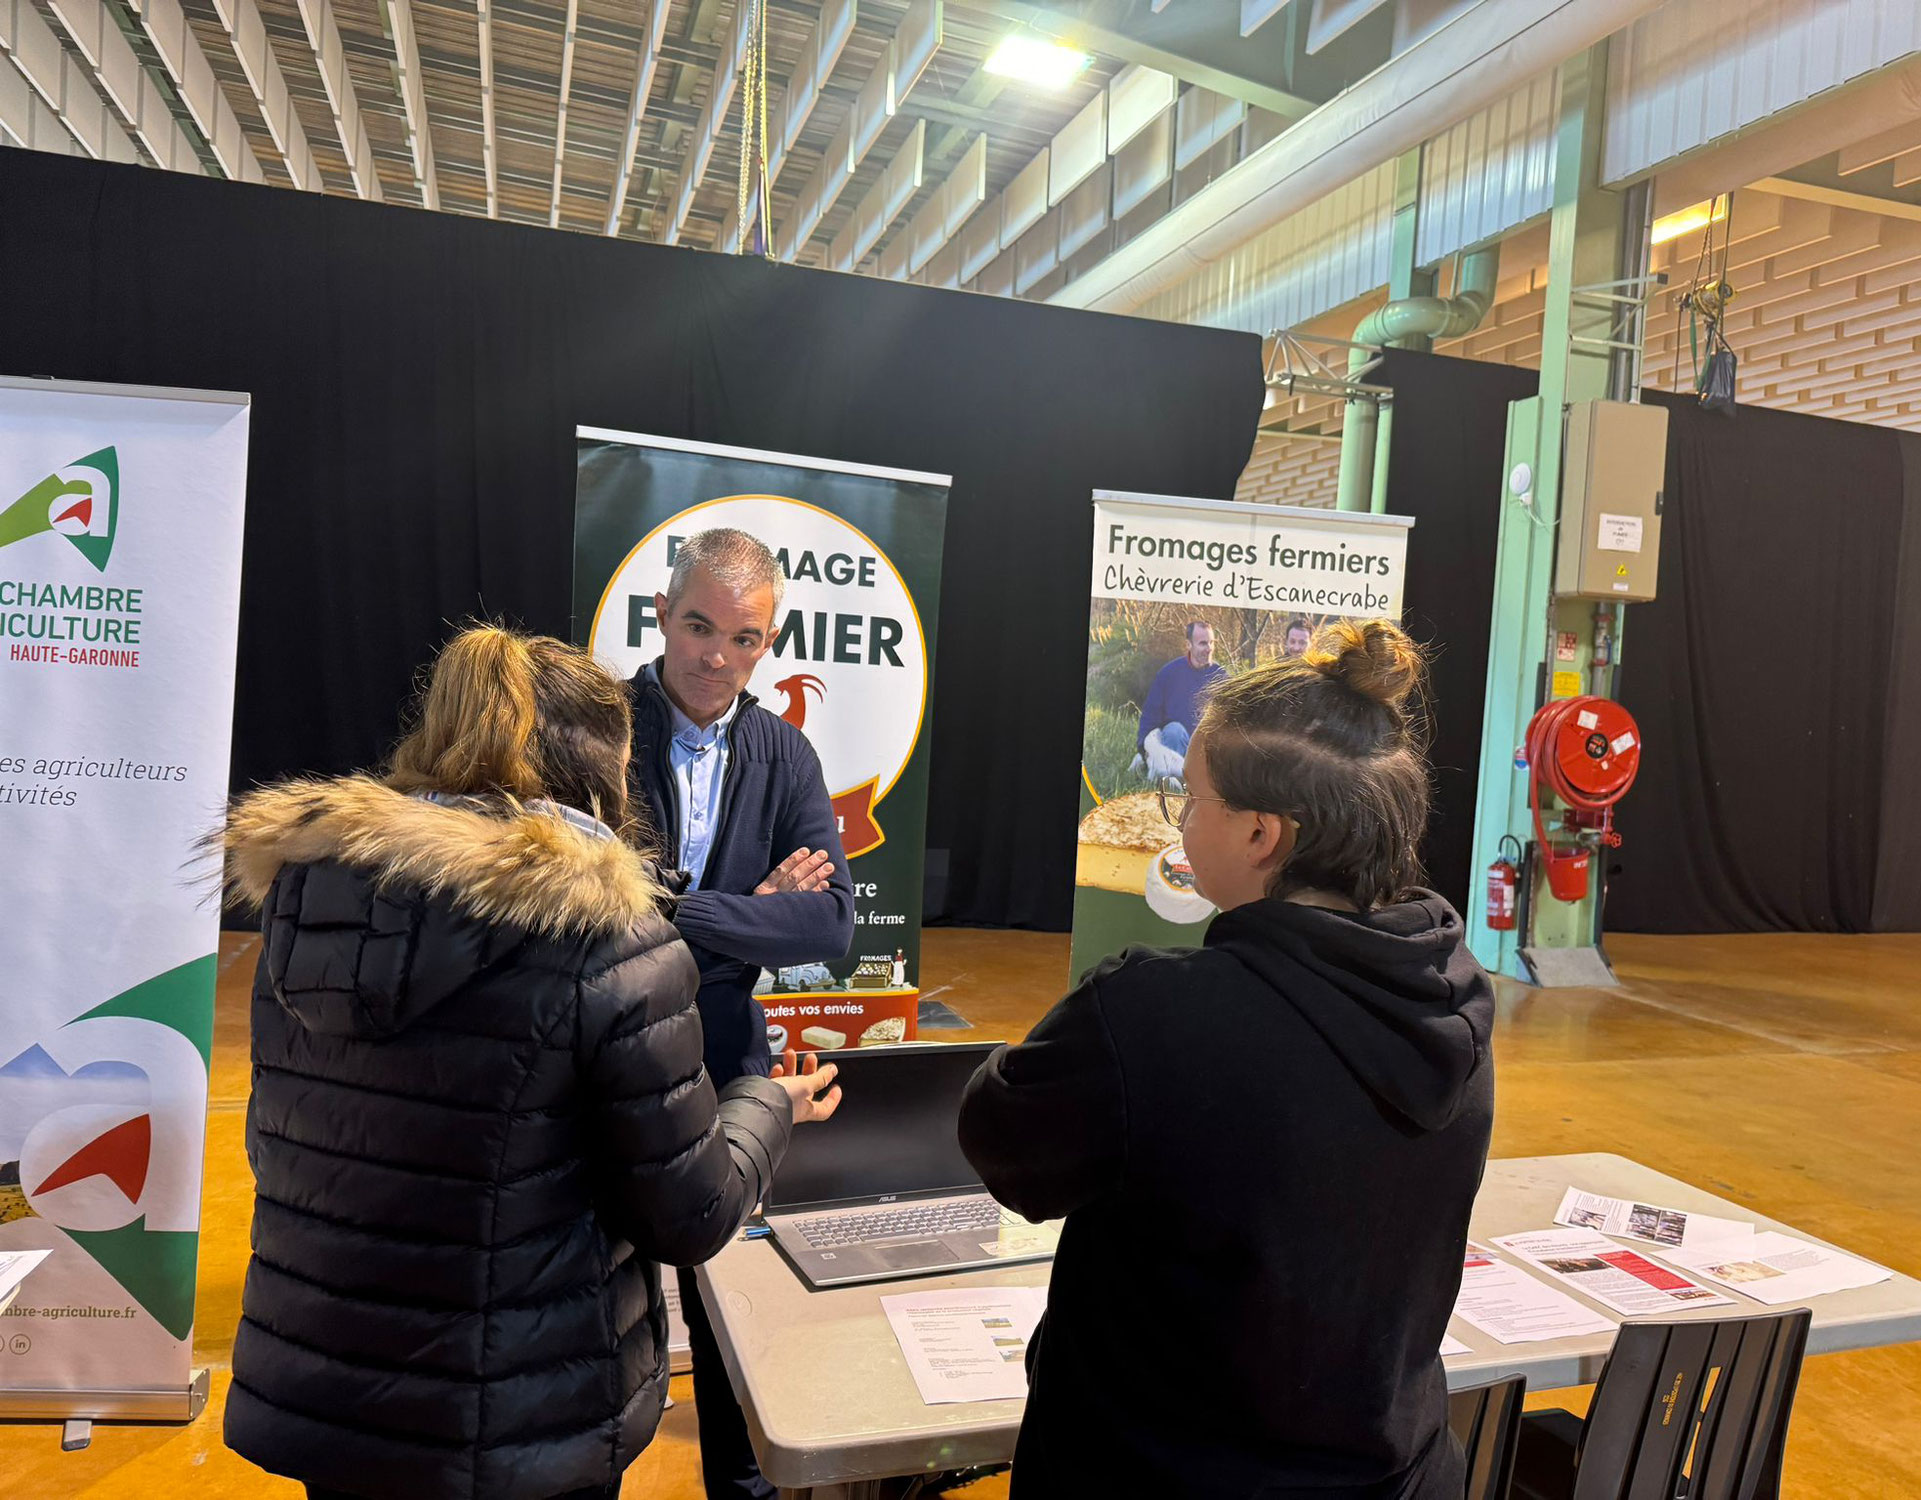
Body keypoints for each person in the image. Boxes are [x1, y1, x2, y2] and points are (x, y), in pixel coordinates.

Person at [215, 625, 842, 1500]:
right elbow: (691, 1213)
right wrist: (765, 1103)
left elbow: (277, 1147)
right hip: (519, 1422)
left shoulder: (307, 899)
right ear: (599, 772)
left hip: (328, 1395)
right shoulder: (612, 946)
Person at [960, 619, 1494, 1500]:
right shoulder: (1457, 995)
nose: (1179, 820)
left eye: (1193, 800)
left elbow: (1003, 1143)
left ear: (1260, 836)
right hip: (1391, 1476)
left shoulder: (1154, 1014)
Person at [626, 527, 856, 1500]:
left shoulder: (785, 752)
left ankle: (743, 1486)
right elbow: (591, 906)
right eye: (697, 627)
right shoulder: (603, 728)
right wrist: (749, 915)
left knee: (726, 1305)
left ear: (769, 642)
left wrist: (679, 910)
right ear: (661, 615)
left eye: (744, 638)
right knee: (595, 1295)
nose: (717, 656)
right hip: (607, 1046)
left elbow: (832, 924)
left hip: (722, 1049)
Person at [1133, 618, 1226, 779]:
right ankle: (1171, 781)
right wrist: (1143, 748)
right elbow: (1150, 717)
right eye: (1203, 643)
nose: (1209, 648)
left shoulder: (1221, 677)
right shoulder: (1169, 674)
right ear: (1188, 645)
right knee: (1174, 730)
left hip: (1206, 749)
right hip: (1176, 744)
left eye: (1212, 642)